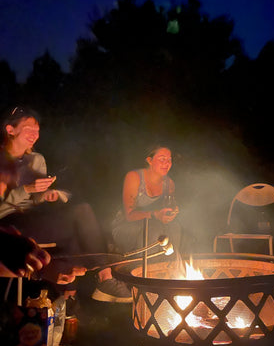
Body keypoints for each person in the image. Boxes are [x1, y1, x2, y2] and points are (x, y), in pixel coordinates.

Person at [0, 106, 106, 300]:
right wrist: (27, 189)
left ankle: (67, 294)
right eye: (29, 129)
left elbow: (34, 199)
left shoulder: (36, 159)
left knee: (78, 216)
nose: (35, 134)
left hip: (30, 218)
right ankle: (101, 275)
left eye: (37, 130)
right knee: (79, 217)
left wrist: (48, 194)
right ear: (10, 130)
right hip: (6, 224)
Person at [92, 145, 182, 303]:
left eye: (169, 160)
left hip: (154, 225)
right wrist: (155, 215)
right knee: (153, 231)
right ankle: (142, 282)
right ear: (149, 160)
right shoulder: (134, 177)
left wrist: (171, 214)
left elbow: (166, 210)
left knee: (175, 228)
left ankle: (168, 275)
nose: (166, 163)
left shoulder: (169, 184)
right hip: (125, 226)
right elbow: (129, 215)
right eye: (162, 159)